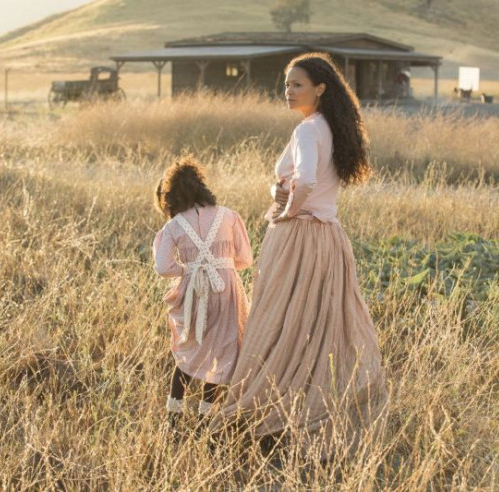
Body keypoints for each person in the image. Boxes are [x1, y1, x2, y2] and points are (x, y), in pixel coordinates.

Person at [210, 53, 387, 454]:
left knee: (278, 317)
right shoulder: (331, 127)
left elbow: (305, 181)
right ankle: (306, 401)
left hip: (299, 235)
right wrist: (282, 193)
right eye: (286, 84)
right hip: (328, 237)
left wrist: (287, 211)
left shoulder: (308, 130)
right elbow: (311, 182)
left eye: (297, 85)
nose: (288, 91)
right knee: (317, 322)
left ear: (320, 89)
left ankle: (266, 405)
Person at [153, 156, 253, 430]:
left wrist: (188, 270)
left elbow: (163, 267)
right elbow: (245, 259)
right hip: (227, 290)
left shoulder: (173, 226)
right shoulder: (229, 216)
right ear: (201, 187)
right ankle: (205, 422)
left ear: (172, 194)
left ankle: (173, 421)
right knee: (220, 353)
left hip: (193, 292)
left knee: (189, 350)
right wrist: (222, 265)